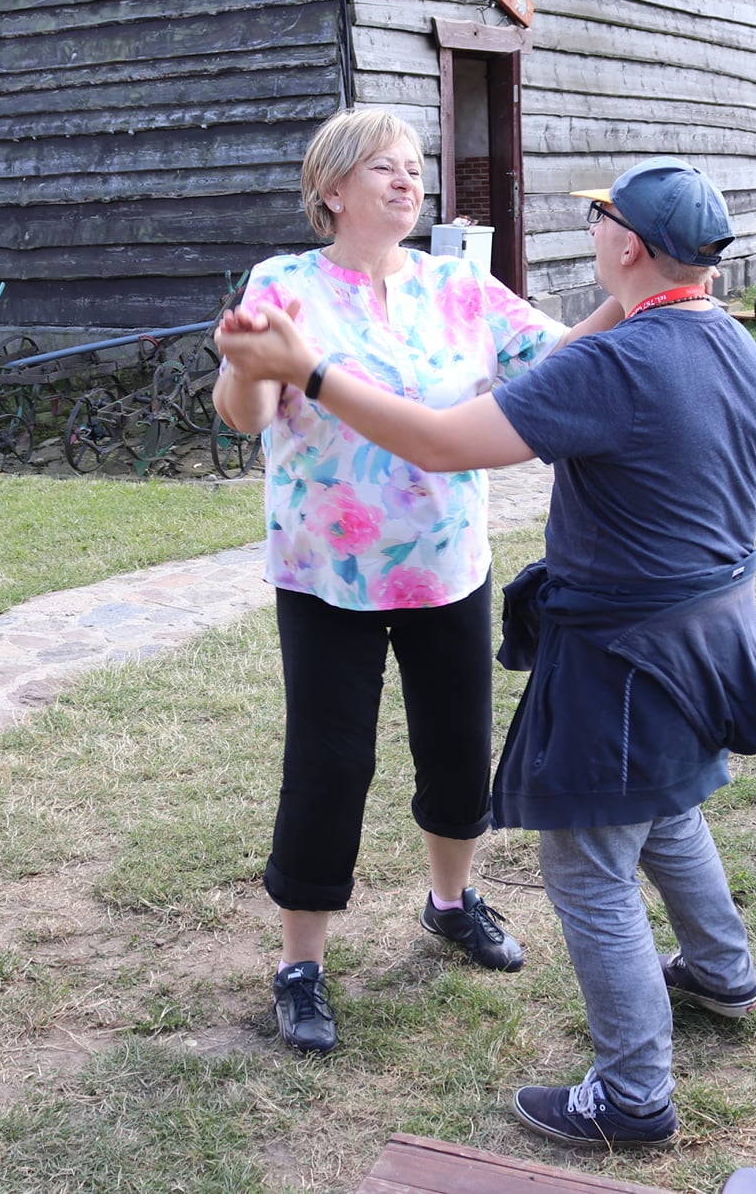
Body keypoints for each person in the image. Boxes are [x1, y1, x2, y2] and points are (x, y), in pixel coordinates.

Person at [217, 155, 756, 1147]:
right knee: (665, 803)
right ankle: (720, 973)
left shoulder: (603, 354)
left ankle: (632, 1095)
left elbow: (449, 440)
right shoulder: (727, 338)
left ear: (628, 246)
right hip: (701, 626)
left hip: (619, 640)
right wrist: (261, 368)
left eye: (603, 220)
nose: (406, 178)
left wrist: (310, 370)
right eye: (383, 165)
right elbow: (580, 358)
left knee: (588, 858)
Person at [211, 109, 623, 1056]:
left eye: (413, 167)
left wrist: (644, 295)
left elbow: (559, 355)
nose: (408, 181)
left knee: (457, 748)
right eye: (383, 169)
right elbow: (246, 414)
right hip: (326, 573)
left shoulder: (458, 285)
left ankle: (450, 900)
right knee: (329, 764)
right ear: (332, 190)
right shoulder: (285, 284)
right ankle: (300, 963)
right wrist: (243, 361)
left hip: (446, 562)